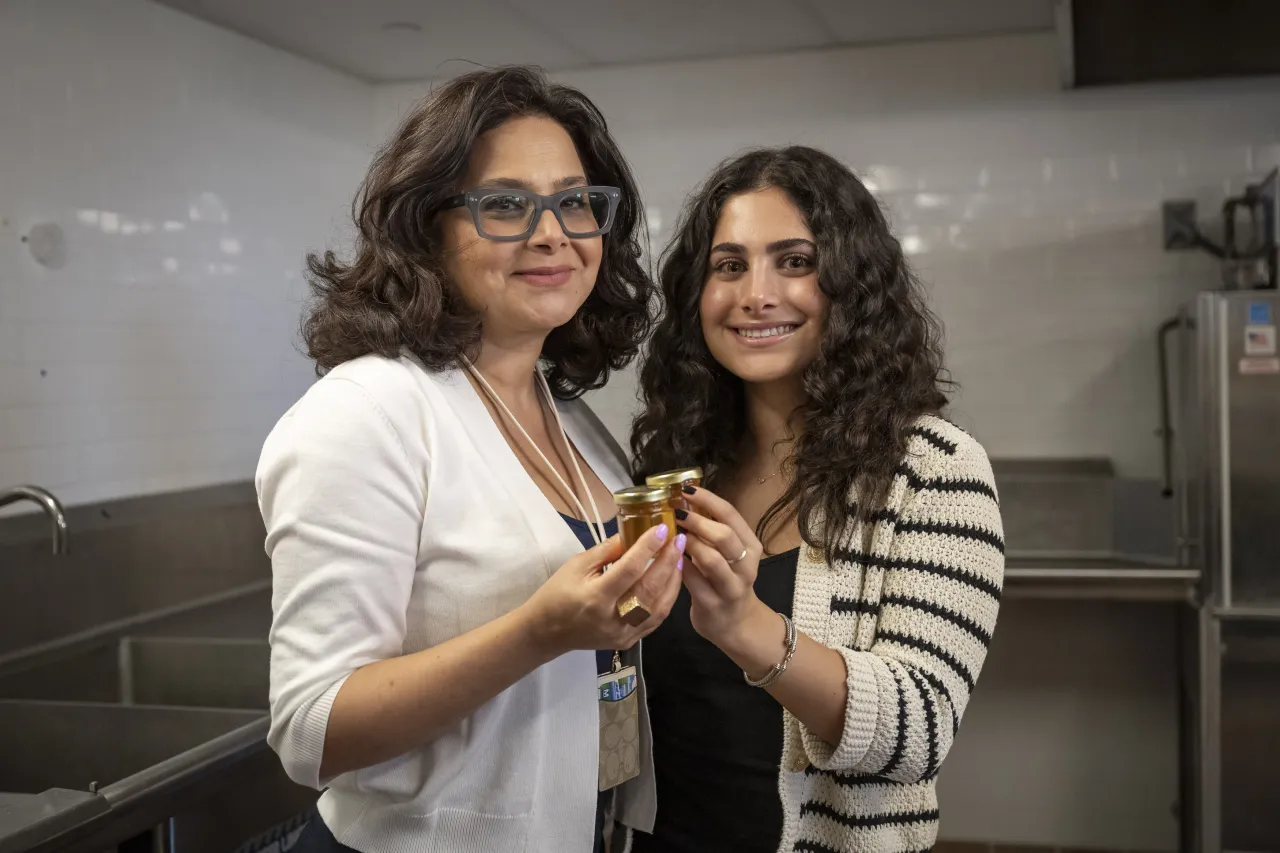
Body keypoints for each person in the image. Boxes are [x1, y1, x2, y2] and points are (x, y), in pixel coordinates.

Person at [256, 66, 680, 853]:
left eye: (575, 201)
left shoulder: (573, 419)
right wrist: (538, 632)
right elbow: (311, 730)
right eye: (507, 204)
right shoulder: (368, 414)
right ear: (428, 230)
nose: (552, 232)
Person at [625, 146, 1005, 853]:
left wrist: (744, 623)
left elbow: (917, 730)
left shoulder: (934, 470)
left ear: (851, 285)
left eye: (794, 262)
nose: (755, 294)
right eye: (729, 265)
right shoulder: (682, 472)